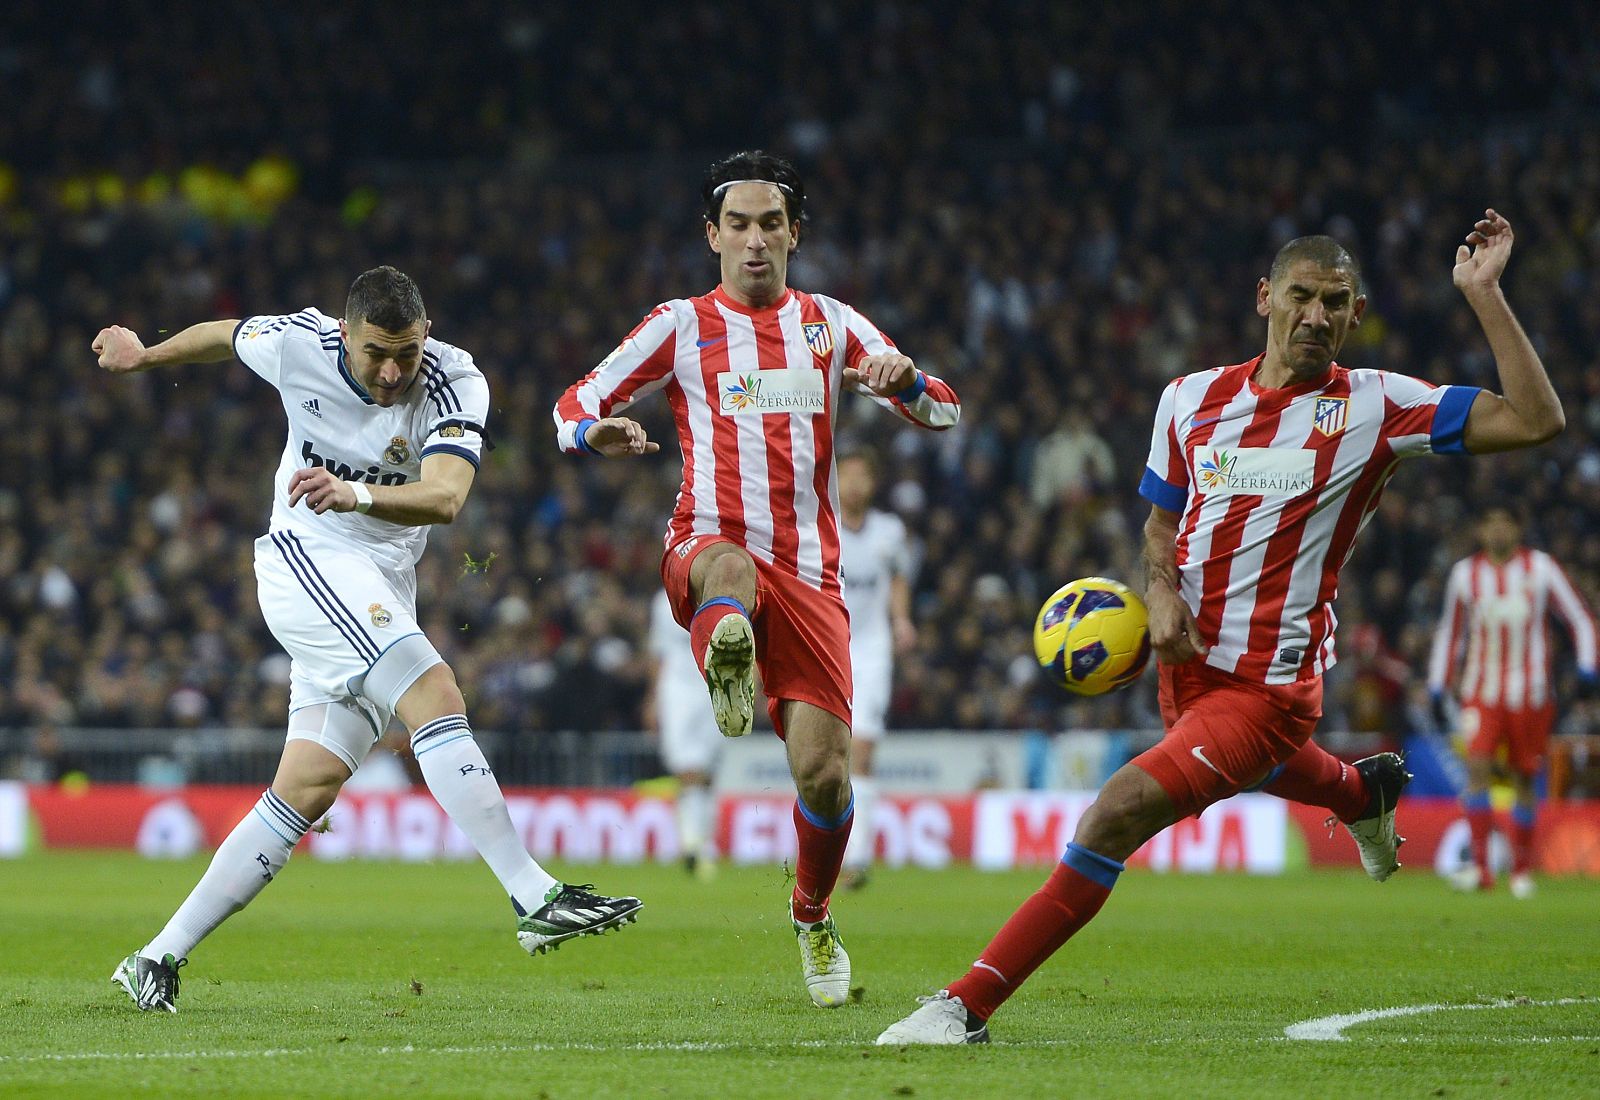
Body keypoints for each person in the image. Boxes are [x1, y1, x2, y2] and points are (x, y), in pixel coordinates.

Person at [879, 209, 1564, 1044]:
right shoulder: (1189, 401)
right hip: (1184, 668)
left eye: (1336, 303)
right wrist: (1159, 593)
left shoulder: (1379, 408)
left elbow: (1535, 420)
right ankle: (1362, 792)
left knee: (1116, 812)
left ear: (1354, 315)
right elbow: (1160, 529)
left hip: (1269, 688)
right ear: (1265, 297)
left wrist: (1484, 295)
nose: (1317, 316)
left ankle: (966, 1006)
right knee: (1254, 769)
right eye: (1302, 296)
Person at [95, 267, 641, 1014]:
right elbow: (225, 336)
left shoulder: (454, 380)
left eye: (406, 353)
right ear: (345, 334)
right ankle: (534, 894)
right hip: (305, 559)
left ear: (426, 335)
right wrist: (146, 357)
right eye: (377, 352)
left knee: (306, 787)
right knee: (434, 692)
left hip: (378, 581)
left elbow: (447, 498)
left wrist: (356, 492)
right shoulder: (297, 343)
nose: (392, 371)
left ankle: (155, 958)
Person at [552, 150, 960, 1008]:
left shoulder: (833, 324)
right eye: (736, 224)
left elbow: (945, 411)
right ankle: (724, 652)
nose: (754, 240)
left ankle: (811, 914)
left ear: (795, 234)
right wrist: (596, 435)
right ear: (712, 235)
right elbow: (574, 401)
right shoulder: (678, 324)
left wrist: (908, 378)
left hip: (813, 576)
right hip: (708, 542)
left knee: (824, 776)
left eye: (770, 223)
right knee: (728, 566)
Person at [1428, 504, 1597, 897]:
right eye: (1491, 523)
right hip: (1480, 693)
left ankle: (1521, 870)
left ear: (1517, 530)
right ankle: (1483, 869)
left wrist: (1588, 666)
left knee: (1524, 778)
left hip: (1531, 694)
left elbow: (1579, 617)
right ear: (1481, 531)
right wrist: (1438, 685)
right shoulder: (1464, 575)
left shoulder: (1541, 569)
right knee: (1478, 769)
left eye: (1505, 523)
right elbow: (1449, 634)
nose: (1498, 531)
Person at [836, 448, 918, 890]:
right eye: (846, 475)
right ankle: (828, 850)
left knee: (862, 752)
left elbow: (899, 579)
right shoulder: (821, 524)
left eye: (862, 476)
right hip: (827, 647)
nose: (854, 484)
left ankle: (858, 857)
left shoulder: (889, 531)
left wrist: (901, 620)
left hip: (871, 650)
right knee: (828, 755)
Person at [645, 588, 724, 878]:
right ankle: (693, 845)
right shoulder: (662, 601)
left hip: (715, 686)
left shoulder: (721, 592)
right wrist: (653, 698)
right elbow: (658, 653)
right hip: (677, 689)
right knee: (688, 769)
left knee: (708, 772)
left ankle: (702, 842)